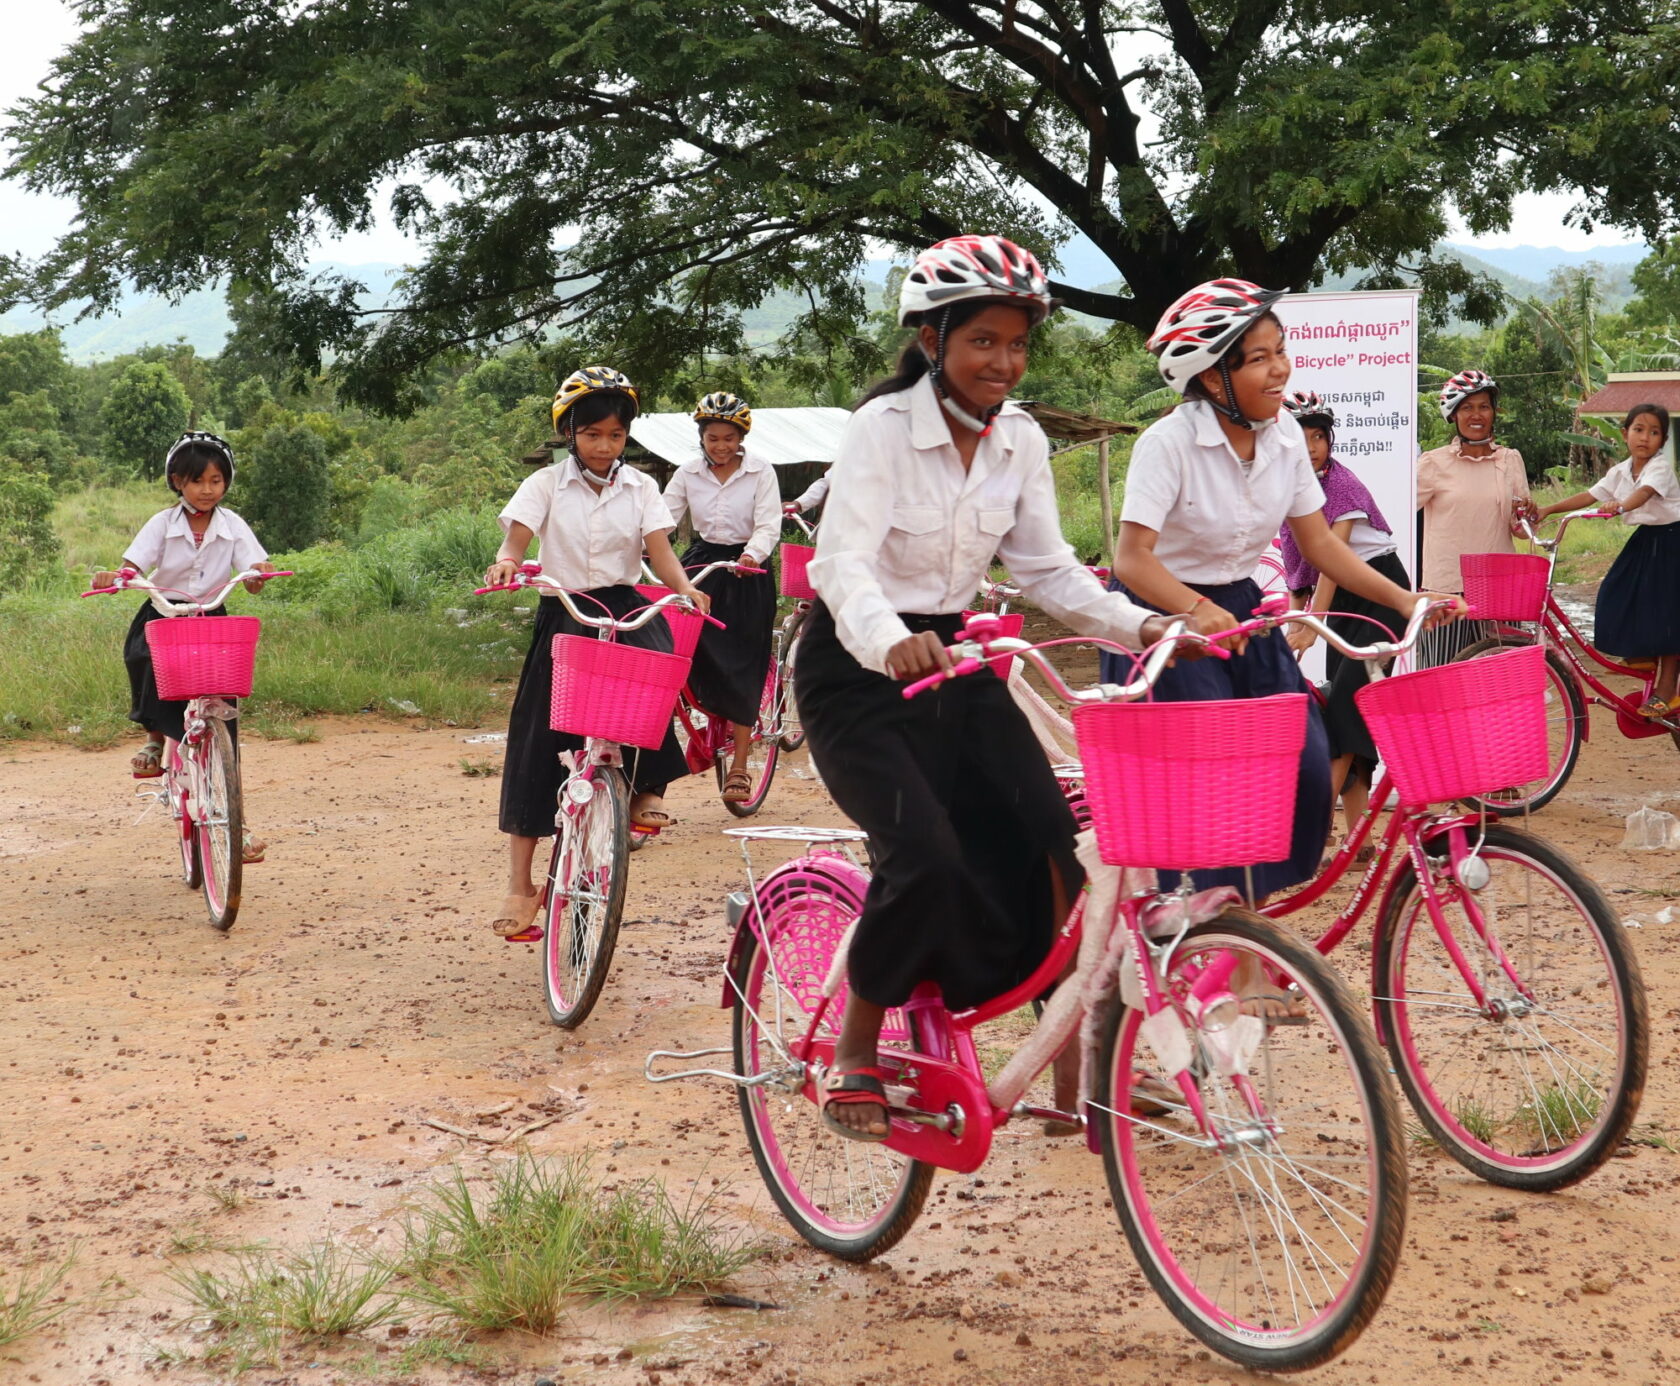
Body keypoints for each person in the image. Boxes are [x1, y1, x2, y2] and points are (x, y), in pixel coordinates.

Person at [798, 234, 1178, 1142]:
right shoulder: (881, 430)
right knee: (922, 852)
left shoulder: (1021, 440)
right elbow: (841, 562)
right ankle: (858, 1042)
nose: (1003, 361)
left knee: (1053, 848)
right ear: (933, 340)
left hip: (958, 665)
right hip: (858, 672)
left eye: (1017, 343)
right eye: (982, 342)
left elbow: (1047, 568)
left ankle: (1067, 1066)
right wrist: (890, 641)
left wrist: (1147, 625)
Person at [1107, 279, 1459, 904]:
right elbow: (1132, 560)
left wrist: (1408, 600)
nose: (1281, 369)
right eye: (1261, 358)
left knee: (1299, 765)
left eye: (1282, 349)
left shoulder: (1287, 437)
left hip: (1237, 607)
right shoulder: (1167, 444)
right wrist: (1193, 609)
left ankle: (1243, 921)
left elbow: (1322, 544)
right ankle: (1223, 947)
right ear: (1214, 377)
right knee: (1215, 780)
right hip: (1167, 616)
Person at [485, 366, 708, 941]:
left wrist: (683, 590)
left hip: (623, 603)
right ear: (569, 434)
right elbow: (516, 540)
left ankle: (647, 789)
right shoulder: (545, 486)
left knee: (659, 671)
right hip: (565, 605)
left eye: (614, 435)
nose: (604, 446)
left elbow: (659, 554)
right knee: (538, 736)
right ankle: (520, 882)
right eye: (591, 434)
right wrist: (508, 562)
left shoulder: (641, 488)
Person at [94, 431, 276, 863]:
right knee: (141, 656)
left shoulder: (234, 526)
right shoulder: (162, 523)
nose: (208, 489)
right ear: (178, 481)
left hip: (211, 614)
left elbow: (252, 578)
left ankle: (238, 824)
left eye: (217, 480)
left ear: (226, 482)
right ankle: (156, 739)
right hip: (165, 610)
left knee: (223, 705)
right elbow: (133, 564)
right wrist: (115, 576)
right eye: (198, 481)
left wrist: (258, 575)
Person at [1276, 392, 1411, 858]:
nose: (1312, 446)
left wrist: (1311, 625)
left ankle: (1303, 835)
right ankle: (1361, 844)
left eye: (1319, 436)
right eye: (1300, 436)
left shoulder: (1342, 486)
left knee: (1346, 709)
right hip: (1342, 604)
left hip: (1379, 594)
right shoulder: (1289, 489)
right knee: (1345, 710)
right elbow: (1299, 566)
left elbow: (1331, 562)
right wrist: (1297, 623)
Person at [662, 392, 781, 798]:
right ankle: (704, 723)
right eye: (713, 437)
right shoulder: (688, 473)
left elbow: (769, 523)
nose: (721, 446)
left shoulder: (760, 471)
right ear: (702, 437)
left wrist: (752, 554)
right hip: (704, 563)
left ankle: (742, 767)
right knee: (674, 644)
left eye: (729, 438)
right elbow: (661, 519)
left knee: (743, 662)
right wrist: (641, 545)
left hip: (747, 568)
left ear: (741, 437)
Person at [1537, 403, 1680, 717]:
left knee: (1670, 615)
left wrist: (1621, 506)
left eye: (1654, 432)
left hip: (1672, 539)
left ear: (1663, 441)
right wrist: (1549, 509)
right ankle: (1641, 655)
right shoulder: (1621, 470)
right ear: (1624, 434)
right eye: (1639, 430)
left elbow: (1643, 494)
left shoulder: (1659, 467)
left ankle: (1669, 690)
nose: (1645, 437)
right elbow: (1589, 495)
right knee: (1615, 591)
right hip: (1647, 538)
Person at [1416, 369, 1531, 663]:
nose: (1476, 414)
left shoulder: (1510, 459)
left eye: (1484, 406)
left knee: (1501, 682)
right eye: (1467, 407)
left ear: (1493, 412)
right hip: (1446, 589)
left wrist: (1529, 515)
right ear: (1453, 415)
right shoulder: (1432, 463)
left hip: (1498, 586)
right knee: (1442, 678)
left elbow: (1519, 528)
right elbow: (1400, 516)